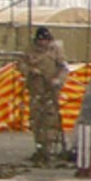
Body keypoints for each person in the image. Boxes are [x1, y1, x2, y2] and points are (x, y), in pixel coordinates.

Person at [23, 25, 68, 166]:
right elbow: (21, 65)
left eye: (45, 40)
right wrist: (31, 70)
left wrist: (58, 80)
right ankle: (40, 149)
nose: (43, 43)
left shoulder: (56, 51)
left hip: (51, 92)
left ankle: (49, 150)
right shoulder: (30, 51)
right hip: (36, 91)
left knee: (50, 120)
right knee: (36, 121)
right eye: (40, 40)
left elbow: (64, 68)